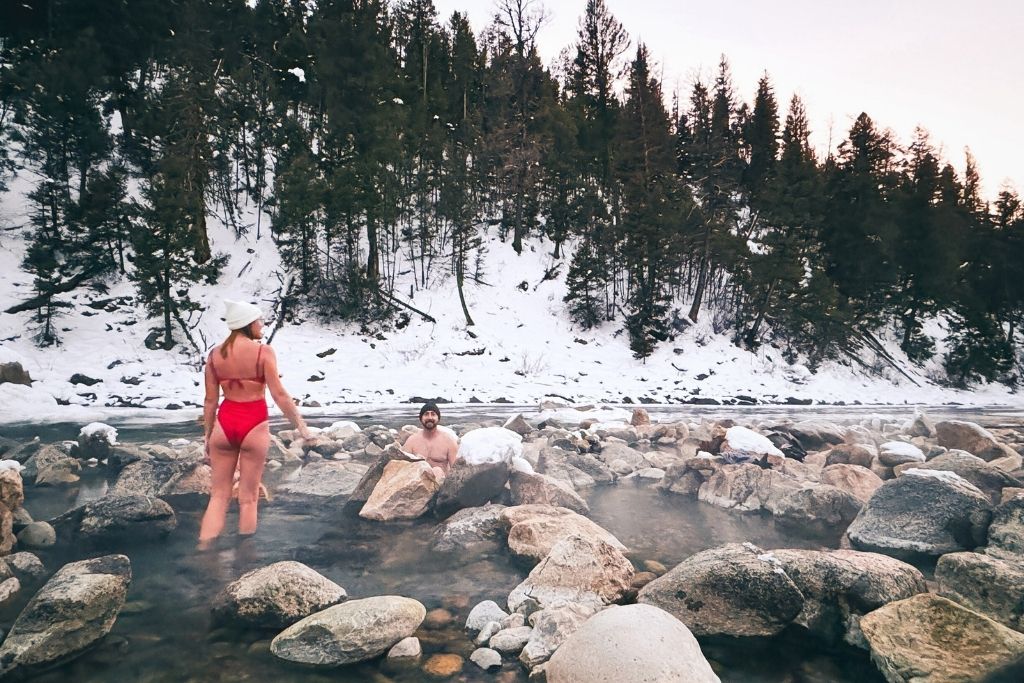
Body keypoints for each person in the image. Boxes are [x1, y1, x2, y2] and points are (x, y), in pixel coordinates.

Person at [198, 300, 309, 549]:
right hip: (253, 423)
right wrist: (300, 425)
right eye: (259, 321)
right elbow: (279, 395)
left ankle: (204, 551)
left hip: (224, 423)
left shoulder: (215, 355)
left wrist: (207, 434)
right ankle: (244, 560)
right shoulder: (263, 352)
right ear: (248, 324)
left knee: (218, 496)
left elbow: (210, 400)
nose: (262, 325)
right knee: (248, 499)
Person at [403, 402, 459, 478]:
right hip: (418, 485)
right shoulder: (411, 441)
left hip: (441, 485)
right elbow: (403, 468)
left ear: (438, 418)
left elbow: (456, 471)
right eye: (426, 414)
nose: (430, 417)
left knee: (437, 471)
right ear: (421, 418)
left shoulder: (449, 441)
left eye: (433, 414)